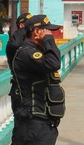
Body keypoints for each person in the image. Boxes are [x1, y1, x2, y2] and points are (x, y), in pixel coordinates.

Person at [12, 15, 65, 145]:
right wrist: (49, 41)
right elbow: (54, 63)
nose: (50, 34)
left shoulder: (38, 52)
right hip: (33, 124)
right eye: (47, 31)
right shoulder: (27, 53)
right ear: (36, 32)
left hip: (42, 123)